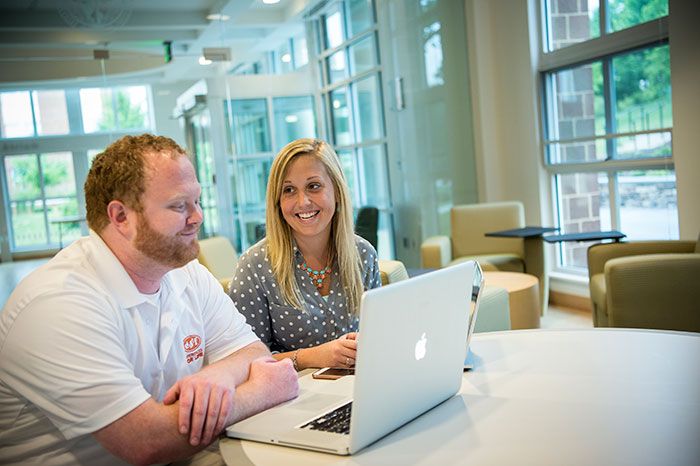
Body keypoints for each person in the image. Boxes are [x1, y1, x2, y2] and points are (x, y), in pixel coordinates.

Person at [0, 134, 299, 466]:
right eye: (178, 205)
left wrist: (218, 376)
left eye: (198, 201)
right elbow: (146, 441)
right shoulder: (57, 305)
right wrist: (262, 392)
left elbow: (253, 354)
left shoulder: (187, 274)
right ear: (121, 217)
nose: (197, 217)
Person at [229, 138, 381, 371]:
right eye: (289, 190)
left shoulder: (364, 255)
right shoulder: (254, 266)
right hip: (293, 400)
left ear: (337, 191)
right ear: (277, 202)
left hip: (359, 391)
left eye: (314, 186)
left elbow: (380, 339)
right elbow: (245, 363)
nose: (303, 202)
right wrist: (313, 357)